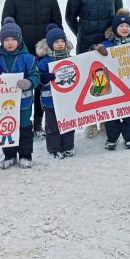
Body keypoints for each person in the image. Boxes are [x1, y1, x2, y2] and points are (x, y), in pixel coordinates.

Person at [2, 0, 62, 140]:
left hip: (45, 51)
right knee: (25, 88)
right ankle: (23, 123)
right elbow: (6, 25)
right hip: (23, 52)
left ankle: (38, 123)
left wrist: (55, 45)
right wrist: (17, 48)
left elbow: (57, 22)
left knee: (43, 88)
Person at [65, 0, 123, 137]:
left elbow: (120, 15)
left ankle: (106, 120)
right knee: (89, 83)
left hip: (108, 45)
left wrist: (115, 33)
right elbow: (70, 17)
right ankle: (90, 120)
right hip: (86, 46)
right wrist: (81, 32)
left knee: (107, 82)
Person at [96, 10, 130, 151]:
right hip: (113, 87)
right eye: (121, 26)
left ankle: (129, 137)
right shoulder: (107, 45)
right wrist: (98, 50)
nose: (125, 28)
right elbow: (95, 59)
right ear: (115, 28)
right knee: (112, 114)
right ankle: (112, 138)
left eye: (127, 26)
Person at [0, 17, 40, 168]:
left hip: (24, 103)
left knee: (24, 127)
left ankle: (25, 155)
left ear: (19, 40)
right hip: (4, 104)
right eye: (6, 39)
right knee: (6, 127)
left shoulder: (28, 58)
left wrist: (29, 83)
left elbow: (35, 76)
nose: (10, 42)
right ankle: (9, 155)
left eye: (13, 39)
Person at [35, 23, 75, 159]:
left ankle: (68, 147)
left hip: (68, 99)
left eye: (62, 41)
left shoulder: (70, 59)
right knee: (53, 126)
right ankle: (54, 149)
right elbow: (38, 77)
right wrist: (44, 78)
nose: (60, 44)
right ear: (50, 44)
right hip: (50, 101)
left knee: (68, 123)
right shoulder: (45, 61)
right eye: (56, 42)